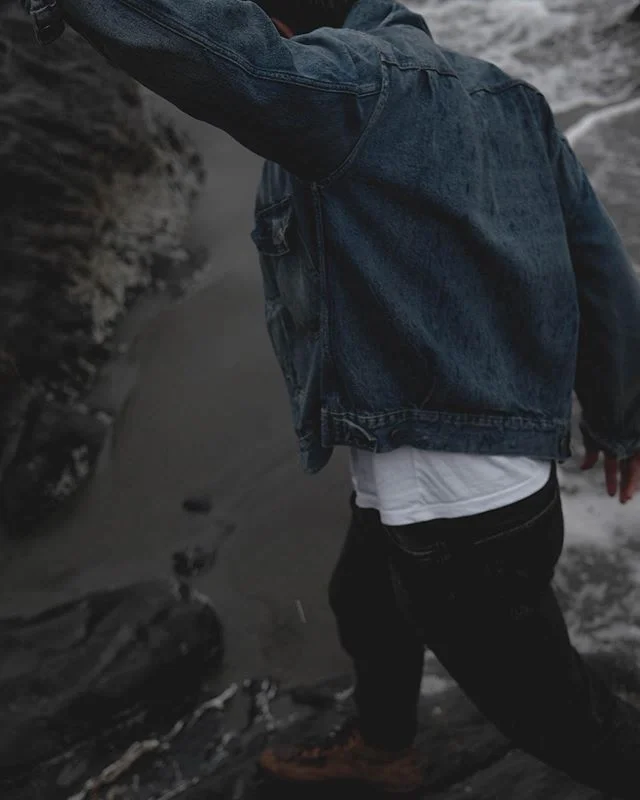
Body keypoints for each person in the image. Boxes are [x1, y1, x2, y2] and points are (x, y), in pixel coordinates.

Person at [22, 0, 640, 795]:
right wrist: (620, 417)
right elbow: (595, 256)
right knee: (365, 599)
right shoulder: (505, 95)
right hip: (480, 466)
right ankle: (385, 750)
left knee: (562, 718)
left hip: (454, 504)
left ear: (292, 28)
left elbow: (225, 60)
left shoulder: (348, 88)